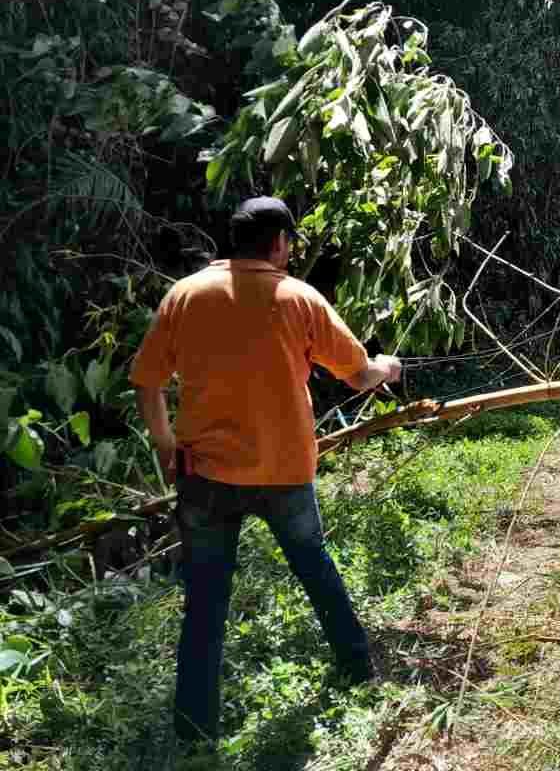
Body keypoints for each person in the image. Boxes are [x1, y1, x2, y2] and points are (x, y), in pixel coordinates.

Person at [129, 196, 403, 744]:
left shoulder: (185, 295)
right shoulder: (297, 297)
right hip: (284, 472)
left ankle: (193, 731)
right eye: (289, 243)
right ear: (279, 243)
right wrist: (388, 368)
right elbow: (358, 375)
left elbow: (147, 379)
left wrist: (164, 443)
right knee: (316, 570)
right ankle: (358, 670)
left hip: (203, 476)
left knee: (205, 600)